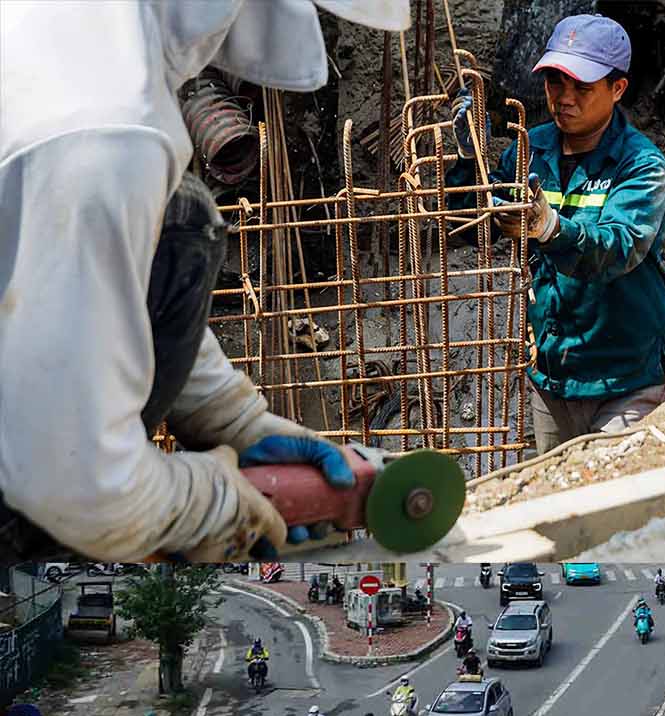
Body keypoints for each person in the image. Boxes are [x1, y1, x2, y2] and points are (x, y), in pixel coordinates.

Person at [0, 0, 403, 565]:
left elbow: (107, 281)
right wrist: (215, 507)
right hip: (39, 473)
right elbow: (72, 481)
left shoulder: (70, 47)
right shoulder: (109, 126)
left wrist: (228, 417)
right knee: (185, 218)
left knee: (174, 215)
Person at [447, 14, 665, 454]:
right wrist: (467, 157)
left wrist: (549, 227)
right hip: (553, 375)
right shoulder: (530, 149)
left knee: (610, 497)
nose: (564, 99)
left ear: (617, 89)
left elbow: (619, 247)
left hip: (625, 378)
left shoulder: (642, 166)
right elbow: (464, 225)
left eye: (582, 88)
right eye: (555, 82)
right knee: (559, 496)